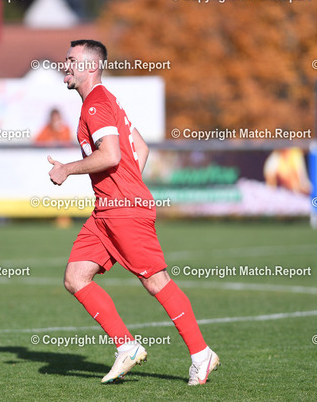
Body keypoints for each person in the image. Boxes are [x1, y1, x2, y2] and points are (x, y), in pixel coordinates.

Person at [47, 40, 219, 385]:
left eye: (71, 60)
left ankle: (202, 355)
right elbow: (140, 147)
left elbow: (111, 155)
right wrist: (125, 188)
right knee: (76, 277)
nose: (65, 65)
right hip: (107, 211)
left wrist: (68, 169)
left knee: (156, 281)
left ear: (91, 67)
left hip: (122, 210)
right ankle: (126, 346)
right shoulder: (105, 100)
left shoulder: (96, 104)